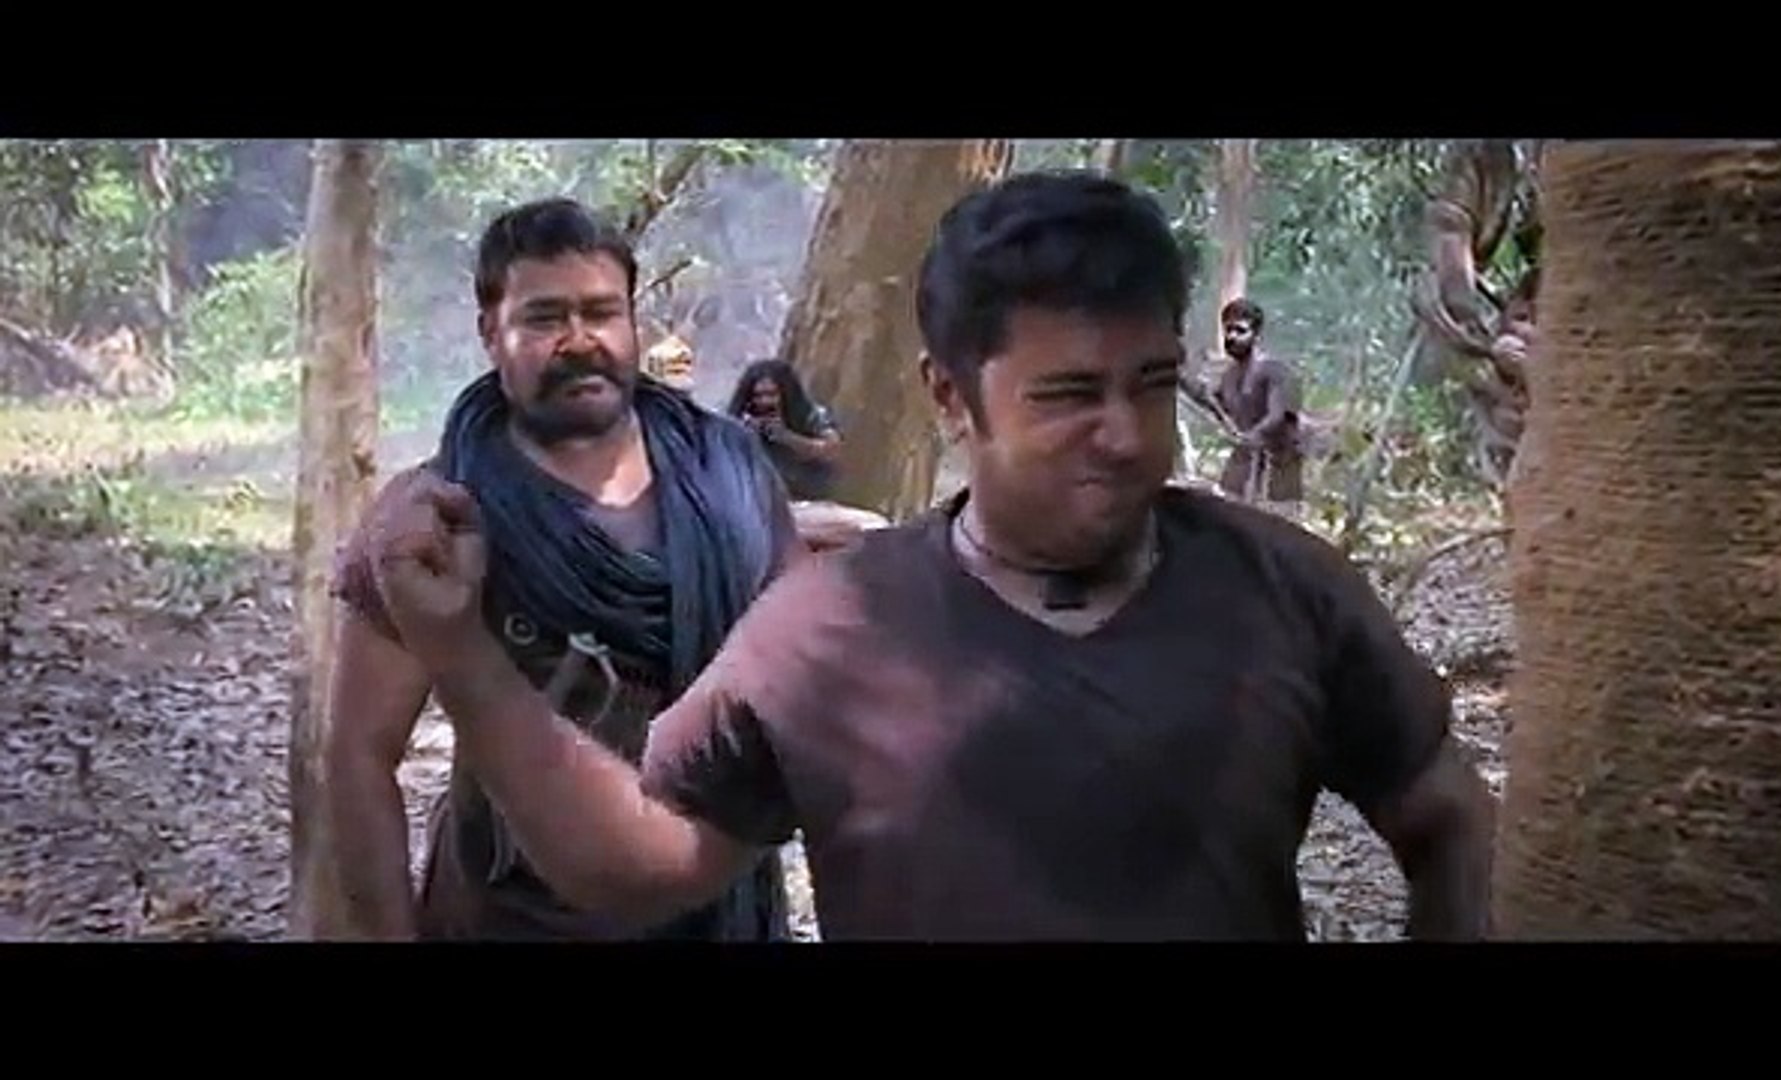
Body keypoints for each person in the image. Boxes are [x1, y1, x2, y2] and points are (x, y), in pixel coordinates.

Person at [361, 172, 1495, 941]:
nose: (1125, 436)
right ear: (949, 397)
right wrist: (463, 658)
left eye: (1150, 385)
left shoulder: (1287, 589)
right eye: (1068, 395)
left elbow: (1444, 810)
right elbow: (634, 867)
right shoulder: (827, 633)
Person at [318, 197, 798, 941]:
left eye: (602, 312)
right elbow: (359, 753)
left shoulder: (733, 481)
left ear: (633, 323)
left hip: (715, 904)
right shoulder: (434, 522)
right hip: (505, 917)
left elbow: (800, 691)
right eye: (544, 319)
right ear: (491, 332)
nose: (579, 340)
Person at [1197, 298, 1305, 515]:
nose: (1232, 337)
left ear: (1256, 336)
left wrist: (1251, 437)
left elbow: (1277, 416)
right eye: (1228, 330)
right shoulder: (1229, 377)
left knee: (1274, 526)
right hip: (1244, 463)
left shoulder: (1275, 371)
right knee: (1229, 515)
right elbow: (1216, 406)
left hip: (1278, 467)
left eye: (1240, 331)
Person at [725, 358, 843, 502]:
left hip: (803, 495)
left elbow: (831, 449)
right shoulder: (736, 419)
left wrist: (787, 437)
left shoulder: (811, 414)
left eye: (772, 394)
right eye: (758, 396)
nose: (765, 401)